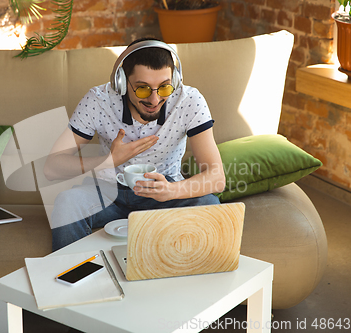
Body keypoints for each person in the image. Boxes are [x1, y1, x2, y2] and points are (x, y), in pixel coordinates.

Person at [44, 38, 226, 251]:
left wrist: (172, 190)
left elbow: (217, 178)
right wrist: (109, 161)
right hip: (108, 189)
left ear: (175, 80)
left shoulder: (189, 100)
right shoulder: (97, 100)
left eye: (164, 87)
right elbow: (52, 168)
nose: (155, 99)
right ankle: (72, 276)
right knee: (67, 203)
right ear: (121, 81)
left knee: (209, 206)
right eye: (142, 89)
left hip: (164, 190)